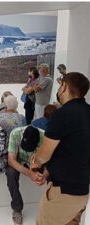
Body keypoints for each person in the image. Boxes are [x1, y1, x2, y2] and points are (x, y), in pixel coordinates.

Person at [30, 72, 90, 225]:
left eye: (60, 85)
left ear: (64, 87)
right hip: (82, 192)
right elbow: (74, 152)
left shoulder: (62, 115)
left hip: (62, 192)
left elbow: (44, 155)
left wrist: (35, 161)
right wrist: (48, 170)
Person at [6, 126, 44, 225]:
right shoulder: (15, 134)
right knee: (10, 173)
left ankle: (49, 207)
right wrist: (29, 173)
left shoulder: (44, 136)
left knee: (53, 171)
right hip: (19, 160)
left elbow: (48, 159)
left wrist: (39, 169)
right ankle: (17, 209)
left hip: (37, 161)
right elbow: (11, 160)